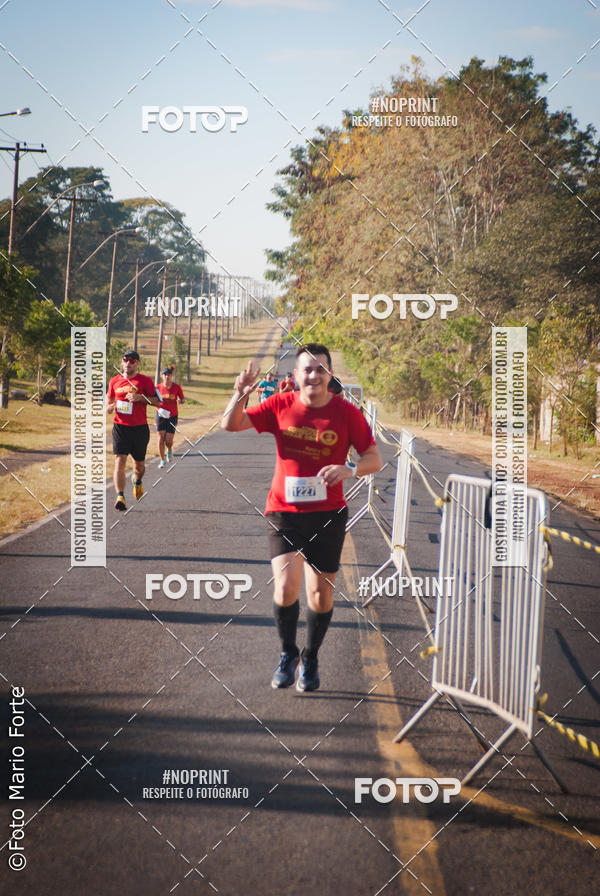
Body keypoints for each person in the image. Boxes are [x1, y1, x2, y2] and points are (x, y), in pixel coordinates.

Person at [222, 342, 382, 692]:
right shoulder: (280, 405)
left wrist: (349, 468)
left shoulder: (346, 414)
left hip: (327, 515)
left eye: (320, 368)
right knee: (284, 585)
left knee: (320, 597)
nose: (313, 374)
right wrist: (239, 395)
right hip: (284, 511)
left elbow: (374, 457)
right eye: (307, 369)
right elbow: (230, 425)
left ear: (329, 374)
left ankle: (310, 658)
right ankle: (287, 653)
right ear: (295, 375)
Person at [106, 350, 160, 510]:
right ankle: (120, 496)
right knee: (119, 461)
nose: (128, 363)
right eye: (126, 360)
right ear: (122, 362)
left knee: (139, 466)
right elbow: (109, 399)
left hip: (139, 429)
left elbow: (157, 402)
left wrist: (140, 398)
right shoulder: (114, 381)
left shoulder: (144, 381)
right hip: (120, 427)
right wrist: (108, 407)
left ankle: (137, 480)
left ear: (137, 364)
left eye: (132, 360)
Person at [155, 367, 184, 468]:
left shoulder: (176, 387)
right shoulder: (157, 388)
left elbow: (182, 398)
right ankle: (162, 460)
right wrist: (158, 408)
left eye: (169, 375)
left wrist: (180, 400)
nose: (167, 377)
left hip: (172, 415)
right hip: (160, 414)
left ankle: (169, 450)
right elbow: (153, 400)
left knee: (168, 440)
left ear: (172, 376)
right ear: (162, 376)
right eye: (165, 375)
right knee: (160, 438)